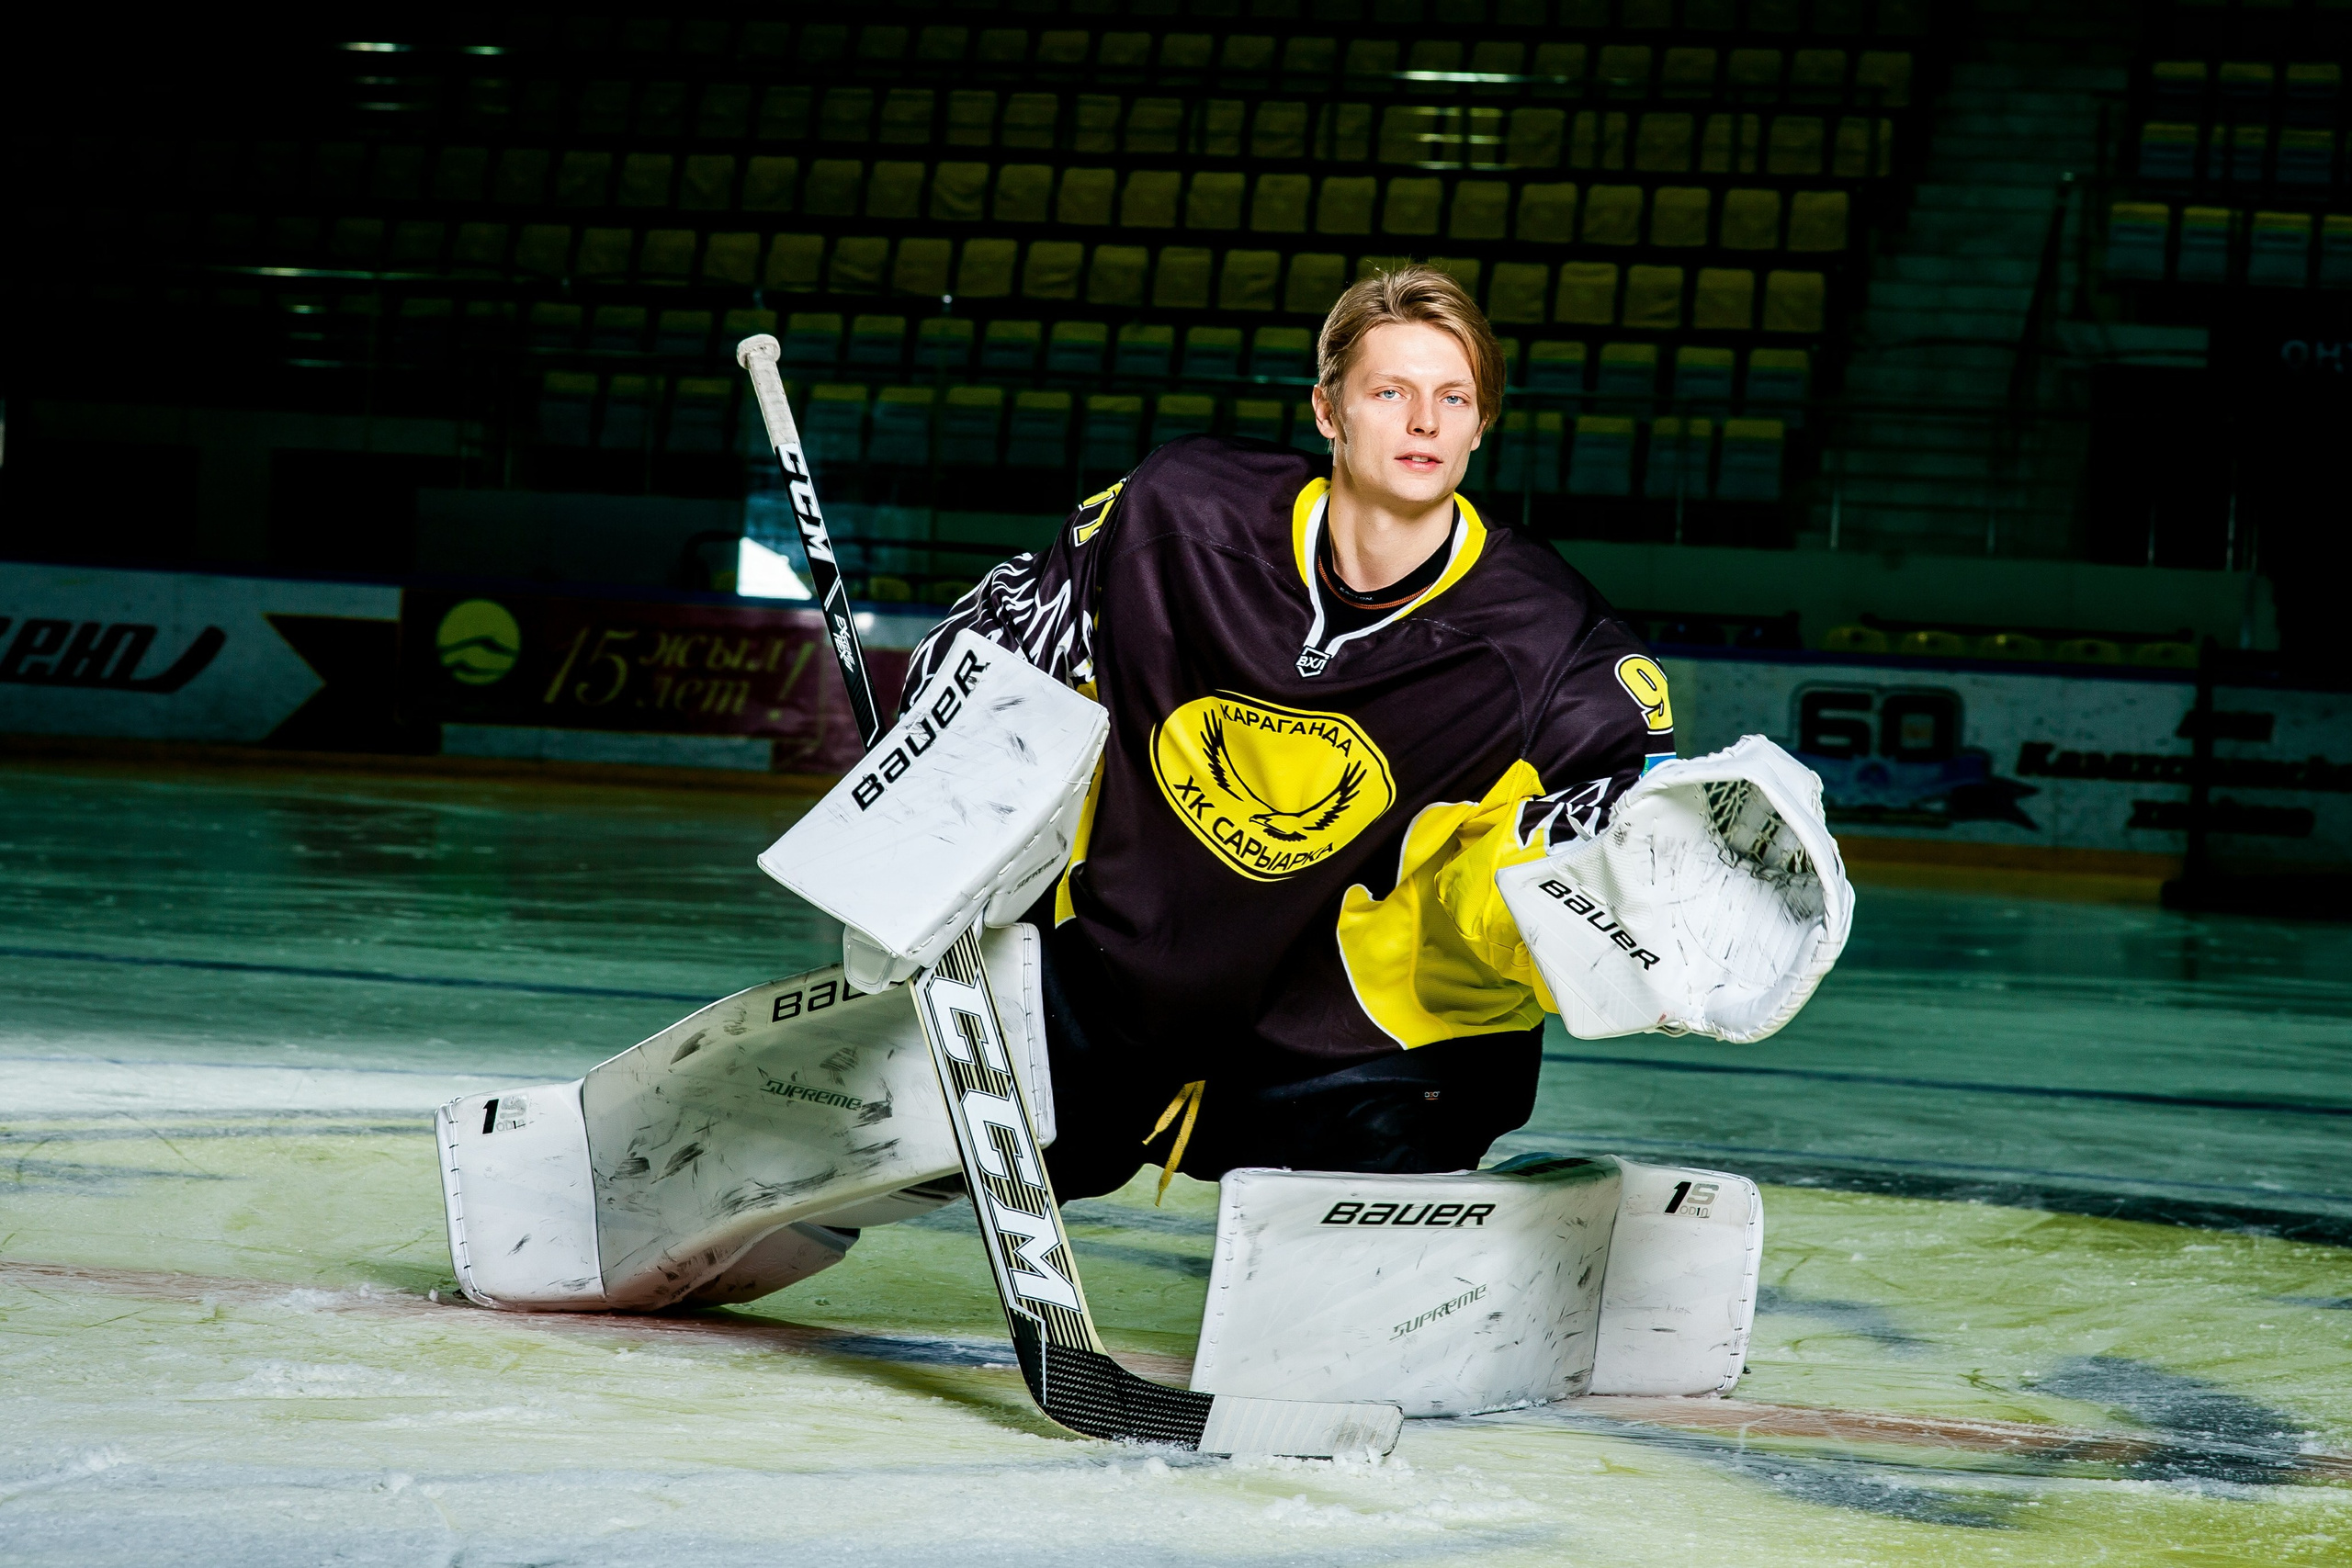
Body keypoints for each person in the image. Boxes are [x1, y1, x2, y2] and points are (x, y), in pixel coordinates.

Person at [892, 265, 1679, 1201]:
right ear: (1327, 410)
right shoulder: (1176, 516)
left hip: (1356, 1070)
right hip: (1109, 1007)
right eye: (1389, 392)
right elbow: (1003, 646)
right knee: (909, 1115)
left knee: (1426, 1102)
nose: (1423, 422)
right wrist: (911, 793)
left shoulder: (1556, 642)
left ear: (1480, 424)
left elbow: (1619, 855)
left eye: (1452, 397)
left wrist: (1671, 902)